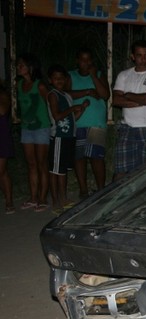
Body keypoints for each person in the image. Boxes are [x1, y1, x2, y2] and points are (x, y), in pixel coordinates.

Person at [112, 40, 146, 180]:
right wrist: (140, 100)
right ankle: (117, 200)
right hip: (127, 128)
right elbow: (116, 100)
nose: (143, 58)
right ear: (133, 56)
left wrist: (128, 95)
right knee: (121, 169)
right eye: (139, 55)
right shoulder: (124, 75)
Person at [68, 48, 110, 199]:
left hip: (96, 124)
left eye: (88, 60)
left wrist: (93, 76)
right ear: (77, 60)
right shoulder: (70, 75)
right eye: (82, 59)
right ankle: (83, 190)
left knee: (96, 157)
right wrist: (86, 91)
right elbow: (65, 93)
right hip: (77, 122)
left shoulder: (98, 74)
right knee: (79, 158)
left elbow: (105, 95)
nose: (86, 63)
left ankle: (100, 190)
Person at [47, 65, 88, 215]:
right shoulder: (53, 95)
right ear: (50, 80)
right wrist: (72, 109)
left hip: (68, 137)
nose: (59, 80)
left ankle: (63, 199)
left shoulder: (67, 96)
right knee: (55, 171)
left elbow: (73, 119)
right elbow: (57, 116)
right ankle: (56, 201)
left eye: (61, 78)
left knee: (62, 170)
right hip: (59, 136)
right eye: (56, 78)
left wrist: (82, 108)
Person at [16, 52, 51, 212]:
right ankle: (33, 197)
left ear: (30, 67)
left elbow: (50, 104)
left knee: (41, 164)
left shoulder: (40, 85)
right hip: (26, 129)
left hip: (42, 128)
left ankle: (43, 198)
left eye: (22, 64)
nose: (18, 67)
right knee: (31, 164)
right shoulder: (19, 85)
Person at [0, 80, 15, 214]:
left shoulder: (3, 95)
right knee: (3, 172)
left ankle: (9, 200)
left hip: (2, 136)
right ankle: (9, 200)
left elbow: (2, 110)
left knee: (1, 170)